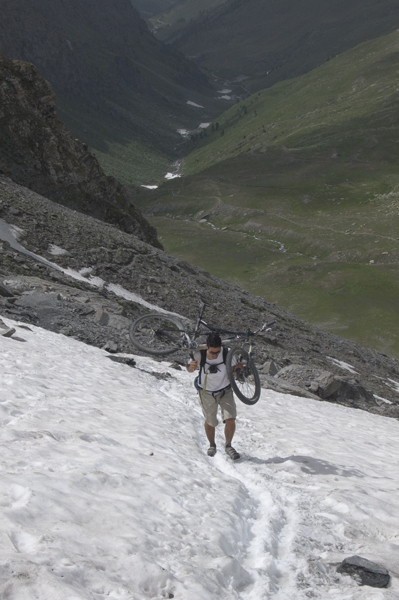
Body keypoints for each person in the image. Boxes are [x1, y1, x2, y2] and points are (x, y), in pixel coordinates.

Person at [186, 332, 240, 460]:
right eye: (212, 352)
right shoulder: (200, 354)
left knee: (230, 419)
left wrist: (237, 369)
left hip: (225, 390)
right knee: (210, 421)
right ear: (207, 347)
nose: (215, 354)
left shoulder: (227, 353)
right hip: (206, 392)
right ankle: (212, 445)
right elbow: (189, 368)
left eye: (217, 352)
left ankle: (228, 446)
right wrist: (190, 367)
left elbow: (235, 371)